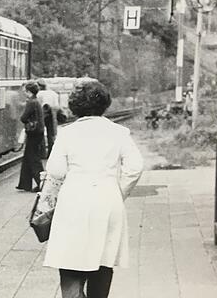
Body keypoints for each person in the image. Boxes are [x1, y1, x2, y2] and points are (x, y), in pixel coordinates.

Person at [37, 78, 143, 298]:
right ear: (104, 103)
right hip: (108, 201)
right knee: (103, 261)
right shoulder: (119, 132)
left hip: (74, 200)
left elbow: (56, 171)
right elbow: (135, 168)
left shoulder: (67, 133)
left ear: (75, 105)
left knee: (71, 261)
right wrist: (118, 192)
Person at [17, 81, 45, 192]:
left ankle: (41, 184)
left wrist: (25, 119)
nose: (24, 92)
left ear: (29, 91)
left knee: (33, 159)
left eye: (25, 90)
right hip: (37, 132)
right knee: (29, 157)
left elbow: (23, 118)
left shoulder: (31, 102)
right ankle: (24, 184)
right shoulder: (36, 101)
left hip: (33, 133)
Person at [36, 79, 60, 157]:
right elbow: (57, 106)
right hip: (52, 114)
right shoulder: (53, 93)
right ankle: (51, 152)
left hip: (41, 115)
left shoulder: (38, 94)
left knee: (41, 133)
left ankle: (42, 153)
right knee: (51, 134)